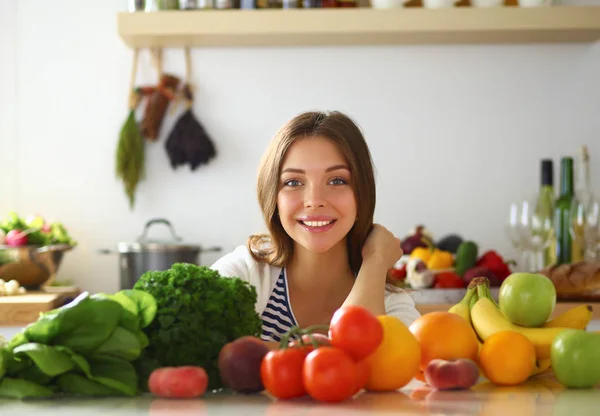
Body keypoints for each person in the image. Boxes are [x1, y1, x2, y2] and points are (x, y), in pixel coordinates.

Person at [210, 110, 421, 347]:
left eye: (337, 180)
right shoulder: (242, 274)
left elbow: (379, 368)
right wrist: (328, 349)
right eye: (293, 182)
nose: (314, 199)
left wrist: (375, 262)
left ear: (362, 193)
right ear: (272, 196)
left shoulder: (390, 306)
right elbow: (209, 350)